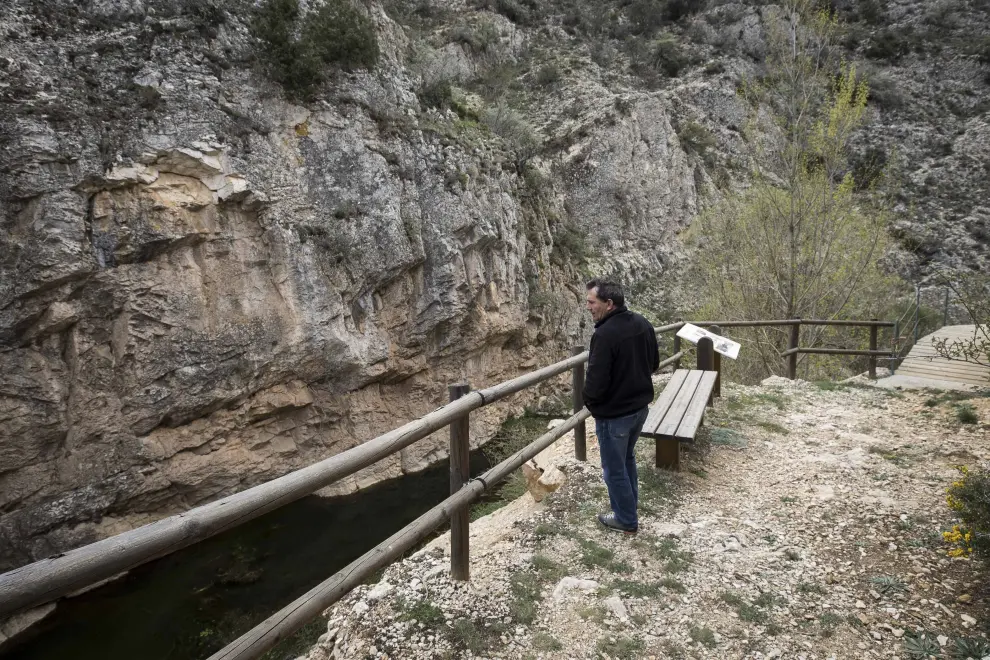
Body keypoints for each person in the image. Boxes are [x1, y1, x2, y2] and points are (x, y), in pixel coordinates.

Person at [582, 278, 659, 534]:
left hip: (614, 416)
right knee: (626, 460)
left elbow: (595, 381)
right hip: (639, 410)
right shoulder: (642, 322)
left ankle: (626, 520)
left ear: (609, 304)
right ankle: (628, 508)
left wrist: (591, 403)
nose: (589, 307)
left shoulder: (604, 335)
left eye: (592, 302)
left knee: (614, 469)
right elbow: (654, 363)